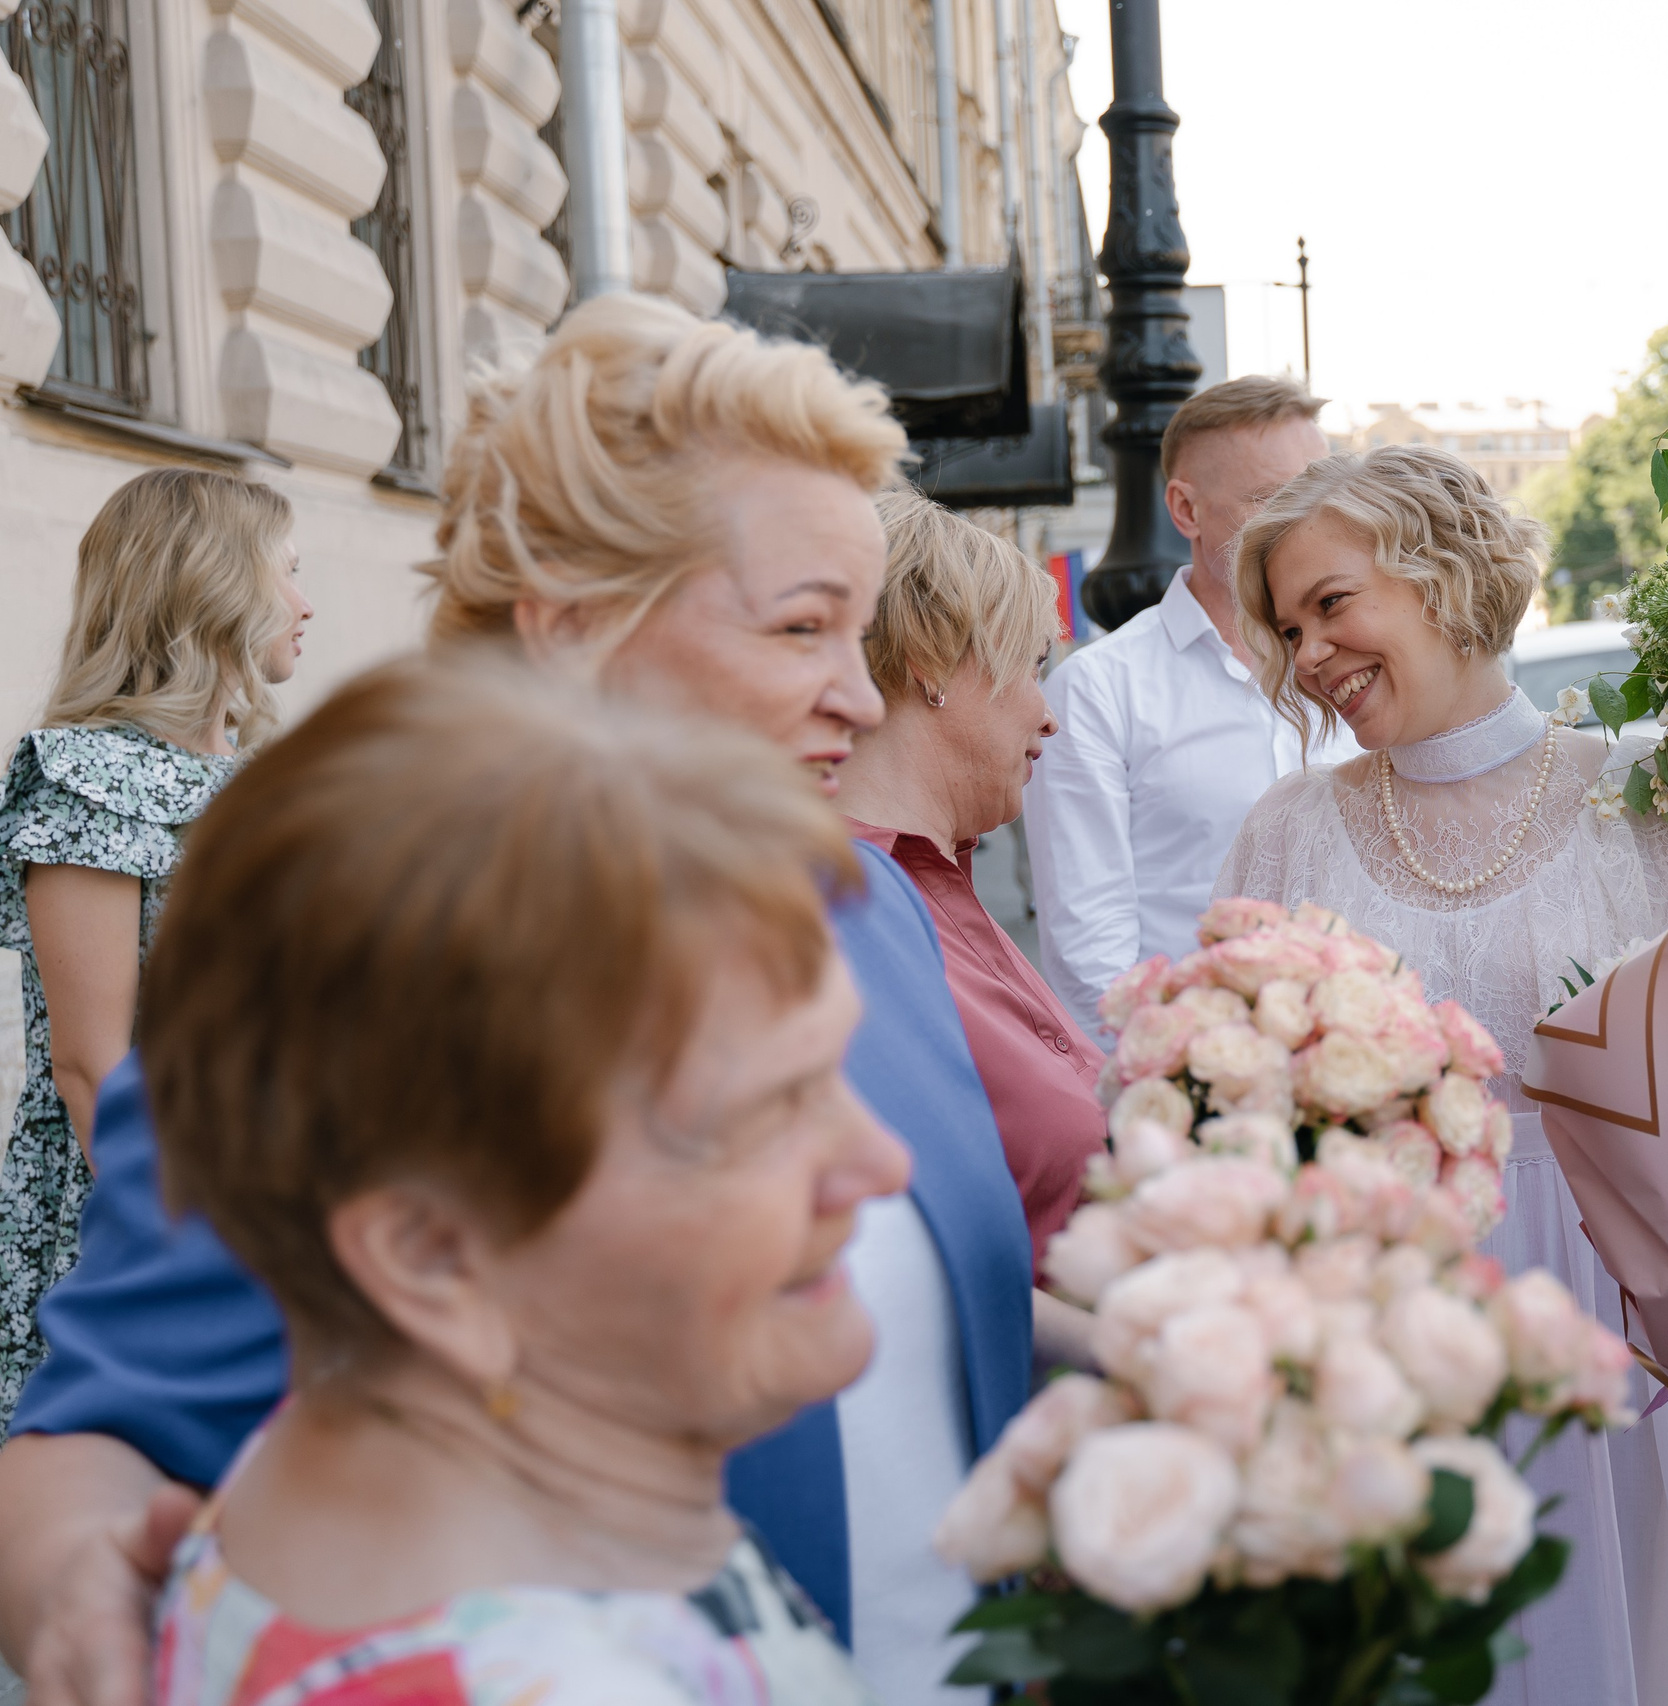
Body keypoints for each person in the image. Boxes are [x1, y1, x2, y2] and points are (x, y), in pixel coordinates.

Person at [0, 295, 1033, 1706]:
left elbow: (932, 1320)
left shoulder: (866, 902)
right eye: (804, 628)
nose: (859, 696)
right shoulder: (350, 963)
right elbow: (99, 1432)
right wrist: (82, 1603)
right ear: (572, 623)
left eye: (865, 632)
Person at [145, 657, 910, 1705]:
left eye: (832, 1070)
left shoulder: (344, 1456)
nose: (881, 1163)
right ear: (432, 1254)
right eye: (765, 1111)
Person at [1215, 444, 1668, 1706]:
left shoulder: (1662, 791)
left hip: (1620, 1315)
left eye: (1332, 603)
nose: (1310, 653)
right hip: (1380, 1311)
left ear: (1444, 575)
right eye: (1287, 627)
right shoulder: (1287, 827)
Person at [0, 470, 310, 1425]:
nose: (306, 605)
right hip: (145, 1216)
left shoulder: (262, 776)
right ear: (210, 590)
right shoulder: (91, 777)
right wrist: (193, 1254)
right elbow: (94, 1067)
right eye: (285, 576)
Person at [1025, 377, 1361, 1042]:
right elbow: (1090, 950)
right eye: (1275, 500)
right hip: (1197, 1087)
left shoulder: (1360, 663)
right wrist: (1178, 1092)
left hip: (1362, 1064)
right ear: (1186, 509)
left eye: (1324, 497)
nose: (1310, 524)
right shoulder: (1098, 690)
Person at [834, 492, 1105, 1273]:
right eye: (1030, 667)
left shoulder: (936, 879)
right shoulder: (850, 913)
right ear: (932, 665)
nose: (1048, 715)